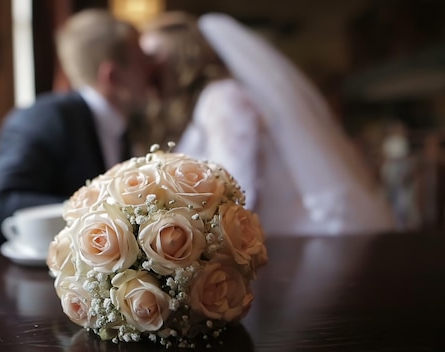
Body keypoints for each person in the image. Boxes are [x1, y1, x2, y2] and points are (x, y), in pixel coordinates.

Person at [139, 12, 395, 236]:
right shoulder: (210, 100)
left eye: (153, 57)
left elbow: (237, 190)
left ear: (182, 57)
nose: (147, 69)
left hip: (287, 241)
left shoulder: (224, 99)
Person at [0, 9, 152, 247]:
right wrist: (101, 210)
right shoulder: (44, 119)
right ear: (113, 76)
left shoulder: (122, 130)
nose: (151, 69)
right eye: (142, 61)